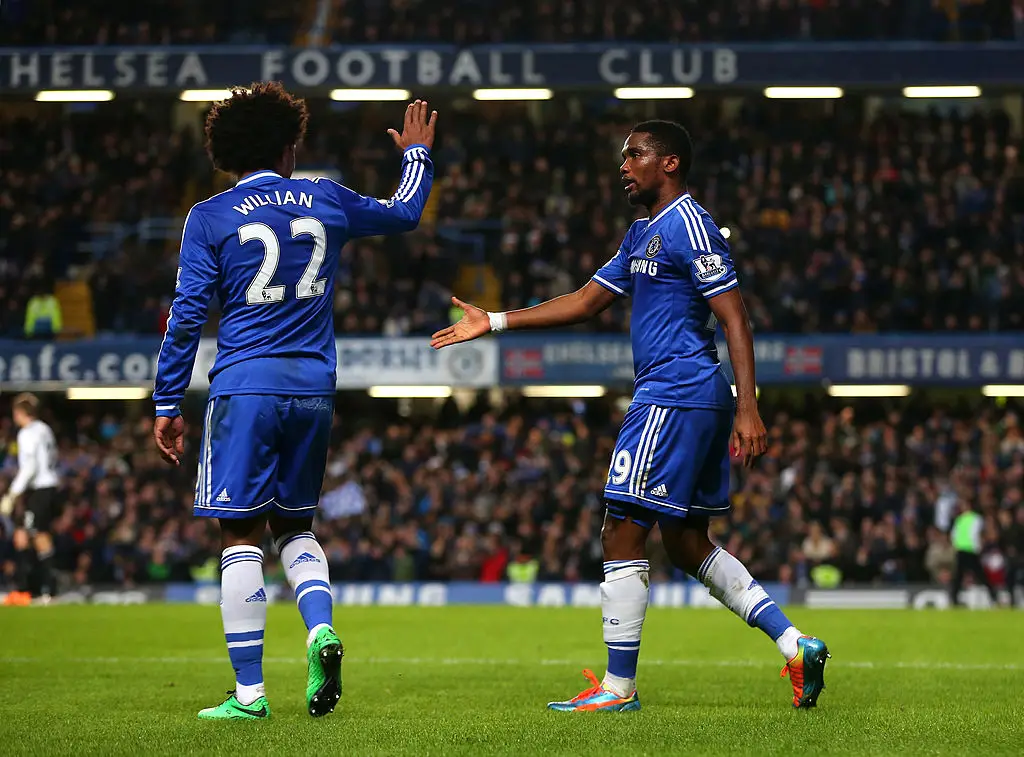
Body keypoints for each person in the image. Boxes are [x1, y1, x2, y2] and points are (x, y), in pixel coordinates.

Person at [432, 120, 829, 711]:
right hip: (686, 394)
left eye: (636, 154)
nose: (624, 165)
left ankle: (618, 689)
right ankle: (796, 645)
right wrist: (494, 322)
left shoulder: (689, 225)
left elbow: (735, 316)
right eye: (623, 155)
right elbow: (586, 301)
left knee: (621, 527)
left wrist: (751, 406)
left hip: (675, 391)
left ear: (669, 163)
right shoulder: (643, 233)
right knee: (689, 542)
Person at [152, 83, 436, 721]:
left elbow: (186, 317)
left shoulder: (210, 215)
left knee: (239, 535)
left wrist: (167, 401)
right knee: (296, 527)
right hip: (313, 389)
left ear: (227, 150)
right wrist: (417, 157)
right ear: (287, 146)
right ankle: (319, 631)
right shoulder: (325, 197)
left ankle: (250, 695)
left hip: (245, 386)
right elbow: (403, 214)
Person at [0, 393, 60, 604]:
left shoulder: (27, 433)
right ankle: (26, 588)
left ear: (20, 413)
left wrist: (13, 493)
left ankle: (47, 590)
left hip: (40, 488)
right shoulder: (45, 429)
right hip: (47, 486)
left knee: (39, 535)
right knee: (21, 535)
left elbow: (31, 466)